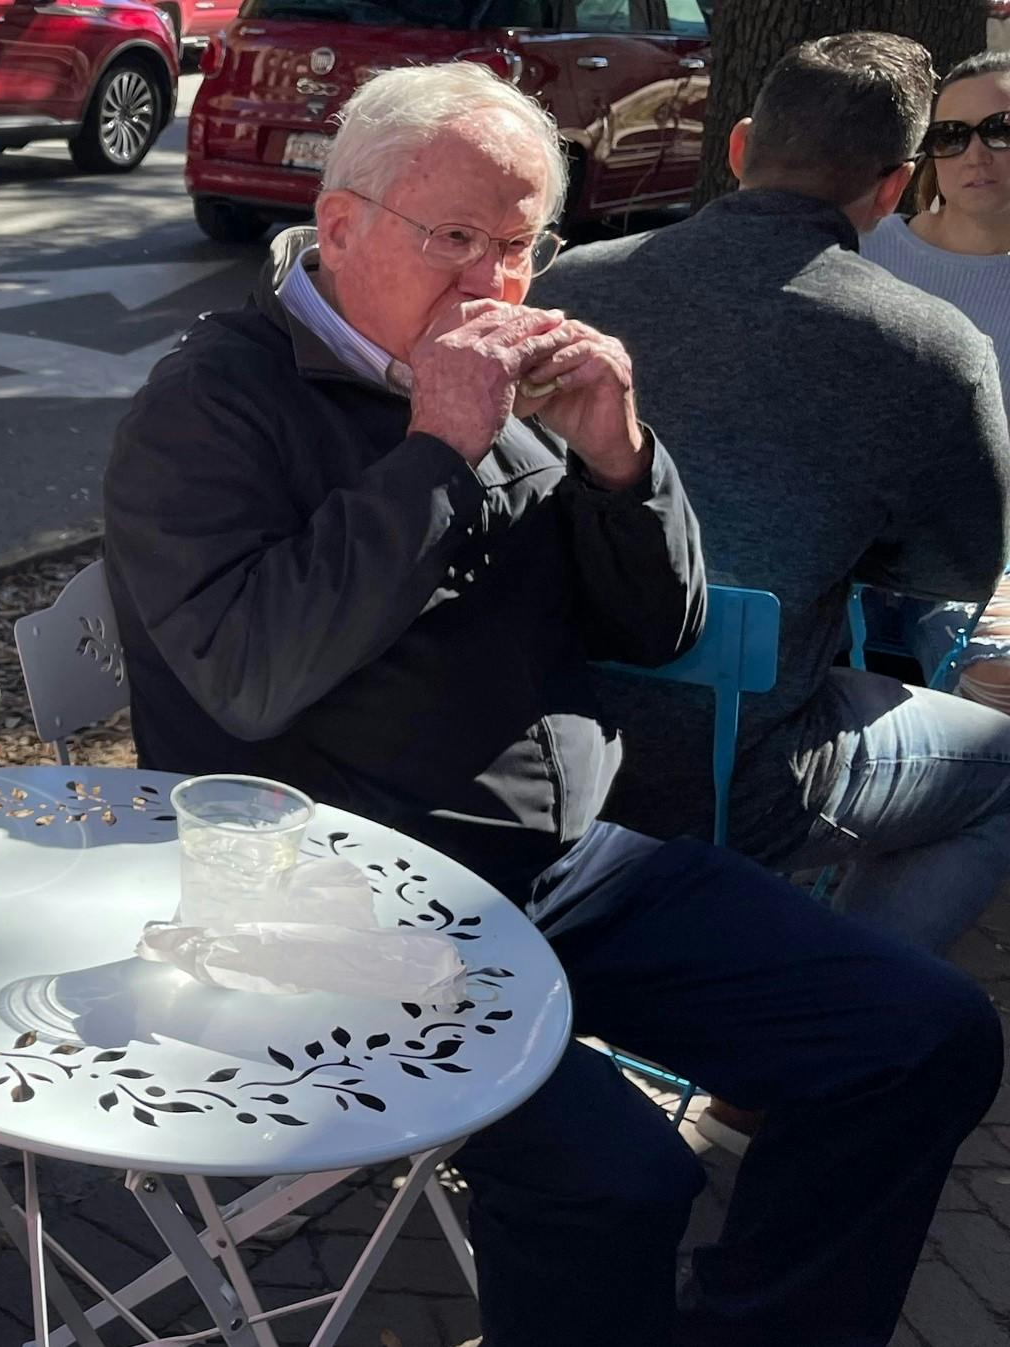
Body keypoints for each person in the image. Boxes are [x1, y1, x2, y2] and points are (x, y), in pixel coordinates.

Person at [101, 60, 999, 1347]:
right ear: (341, 222)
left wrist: (623, 461)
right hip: (332, 906)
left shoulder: (494, 380)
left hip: (561, 867)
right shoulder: (214, 404)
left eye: (520, 247)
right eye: (454, 237)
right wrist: (434, 454)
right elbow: (251, 675)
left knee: (927, 1036)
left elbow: (658, 625)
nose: (489, 283)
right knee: (619, 1181)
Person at [526, 33, 1010, 958]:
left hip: (533, 746)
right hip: (737, 779)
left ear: (740, 148)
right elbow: (956, 569)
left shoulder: (566, 287)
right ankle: (805, 1042)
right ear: (894, 187)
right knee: (999, 776)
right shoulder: (932, 347)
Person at [860, 48, 1010, 714]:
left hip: (985, 556)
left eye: (1001, 129)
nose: (975, 154)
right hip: (847, 543)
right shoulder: (863, 250)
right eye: (950, 136)